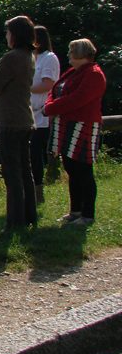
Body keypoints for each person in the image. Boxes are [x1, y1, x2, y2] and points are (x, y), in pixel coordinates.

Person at [44, 38, 106, 226]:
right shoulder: (73, 72)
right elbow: (54, 91)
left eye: (72, 52)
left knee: (83, 170)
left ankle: (87, 214)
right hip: (66, 123)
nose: (69, 55)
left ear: (81, 54)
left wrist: (51, 108)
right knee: (71, 167)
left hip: (83, 124)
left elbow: (78, 99)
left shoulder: (94, 74)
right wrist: (50, 105)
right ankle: (75, 211)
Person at [0, 15, 37, 230]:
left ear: (14, 34)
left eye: (7, 32)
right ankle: (29, 215)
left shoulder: (12, 57)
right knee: (25, 170)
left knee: (12, 173)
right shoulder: (28, 56)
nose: (6, 36)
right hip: (25, 118)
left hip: (10, 121)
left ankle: (15, 221)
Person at [29, 25, 60, 203]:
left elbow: (48, 85)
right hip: (27, 113)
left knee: (35, 153)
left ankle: (37, 190)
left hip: (41, 115)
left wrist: (23, 87)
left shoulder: (49, 58)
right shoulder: (30, 58)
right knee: (27, 153)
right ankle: (30, 189)